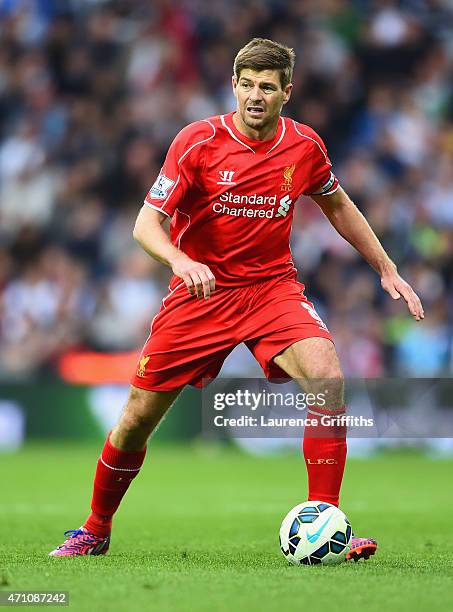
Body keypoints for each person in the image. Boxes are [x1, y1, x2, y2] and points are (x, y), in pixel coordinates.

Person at [49, 38, 424, 559]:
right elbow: (145, 224)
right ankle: (94, 528)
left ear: (286, 93)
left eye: (267, 87)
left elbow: (338, 205)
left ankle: (329, 521)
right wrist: (181, 261)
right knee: (136, 418)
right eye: (246, 84)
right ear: (233, 85)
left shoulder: (304, 146)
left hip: (271, 290)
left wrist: (386, 268)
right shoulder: (197, 142)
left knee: (328, 379)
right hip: (201, 295)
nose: (255, 95)